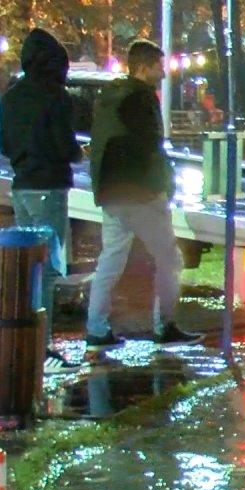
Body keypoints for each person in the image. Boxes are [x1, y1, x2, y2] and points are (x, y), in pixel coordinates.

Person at [85, 39, 202, 352]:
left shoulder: (109, 96)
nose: (163, 72)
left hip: (111, 193)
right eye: (158, 66)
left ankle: (96, 329)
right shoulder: (141, 98)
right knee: (169, 258)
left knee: (110, 260)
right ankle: (164, 325)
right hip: (141, 193)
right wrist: (164, 184)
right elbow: (150, 147)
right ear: (144, 66)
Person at [0, 28, 83, 368]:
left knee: (29, 266)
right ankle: (42, 347)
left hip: (22, 189)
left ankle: (26, 339)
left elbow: (5, 145)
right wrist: (76, 154)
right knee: (48, 268)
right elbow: (64, 146)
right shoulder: (56, 97)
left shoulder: (11, 97)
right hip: (50, 188)